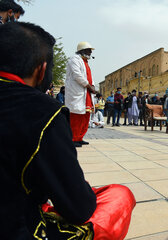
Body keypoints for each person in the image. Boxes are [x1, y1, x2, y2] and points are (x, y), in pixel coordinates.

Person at [0, 21, 135, 240]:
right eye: (89, 50)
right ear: (42, 70)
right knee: (120, 195)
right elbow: (78, 208)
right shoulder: (43, 111)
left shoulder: (83, 63)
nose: (90, 53)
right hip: (15, 229)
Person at [65, 41, 96, 148]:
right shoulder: (74, 60)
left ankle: (80, 137)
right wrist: (88, 86)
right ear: (82, 50)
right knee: (76, 116)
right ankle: (73, 139)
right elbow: (77, 75)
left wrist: (92, 87)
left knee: (85, 116)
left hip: (86, 91)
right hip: (78, 91)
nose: (90, 53)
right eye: (88, 50)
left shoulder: (85, 62)